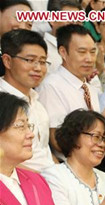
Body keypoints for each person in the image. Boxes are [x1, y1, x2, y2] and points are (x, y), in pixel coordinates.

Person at [38, 24, 105, 157]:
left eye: (92, 51)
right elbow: (57, 142)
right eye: (82, 52)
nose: (89, 59)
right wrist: (104, 120)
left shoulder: (90, 89)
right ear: (63, 52)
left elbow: (94, 137)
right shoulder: (51, 86)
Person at [0, 29, 53, 172]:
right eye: (30, 60)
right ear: (7, 61)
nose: (38, 68)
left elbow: (44, 151)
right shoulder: (2, 100)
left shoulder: (37, 102)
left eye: (42, 62)